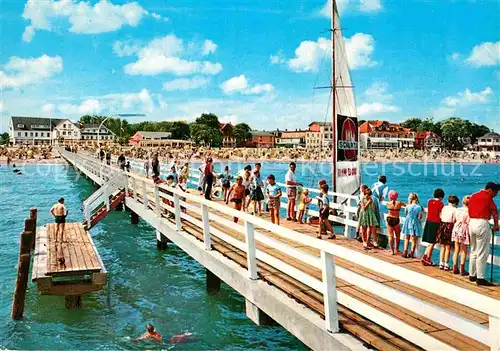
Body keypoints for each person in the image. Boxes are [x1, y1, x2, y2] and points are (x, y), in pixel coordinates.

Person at [468, 182, 499, 286]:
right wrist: (495, 225)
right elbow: (495, 212)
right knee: (482, 252)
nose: (496, 195)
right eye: (496, 192)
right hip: (482, 223)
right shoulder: (488, 198)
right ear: (490, 190)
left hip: (471, 223)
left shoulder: (473, 195)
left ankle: (472, 274)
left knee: (473, 250)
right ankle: (480, 278)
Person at [421, 188, 445, 266]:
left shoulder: (430, 201)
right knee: (432, 242)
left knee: (430, 242)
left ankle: (424, 256)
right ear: (441, 197)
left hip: (429, 222)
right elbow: (441, 214)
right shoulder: (441, 204)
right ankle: (428, 258)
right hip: (436, 223)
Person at [437, 195, 459, 271]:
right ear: (456, 203)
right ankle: (446, 263)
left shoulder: (444, 208)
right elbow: (454, 220)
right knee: (448, 247)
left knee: (442, 246)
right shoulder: (455, 210)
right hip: (449, 226)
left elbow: (441, 216)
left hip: (442, 225)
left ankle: (441, 263)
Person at [452, 195, 471, 276]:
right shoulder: (469, 211)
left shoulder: (457, 210)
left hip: (456, 228)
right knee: (463, 250)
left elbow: (453, 220)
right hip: (464, 229)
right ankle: (462, 269)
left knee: (456, 249)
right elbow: (470, 221)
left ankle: (455, 267)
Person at [401, 193, 423, 258]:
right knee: (413, 239)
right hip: (415, 222)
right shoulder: (418, 207)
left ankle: (405, 252)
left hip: (408, 221)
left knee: (407, 237)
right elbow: (419, 217)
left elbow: (406, 213)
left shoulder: (408, 206)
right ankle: (411, 253)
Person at [386, 190, 406, 255]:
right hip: (396, 219)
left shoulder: (388, 203)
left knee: (390, 236)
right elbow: (406, 205)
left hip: (389, 219)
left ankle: (392, 250)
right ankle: (396, 249)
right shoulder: (399, 203)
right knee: (397, 235)